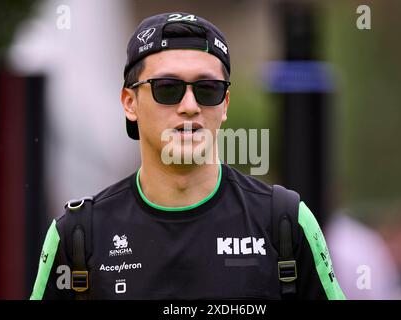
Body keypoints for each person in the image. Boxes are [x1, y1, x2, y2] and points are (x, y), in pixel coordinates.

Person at [30, 12, 345, 300]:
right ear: (129, 103)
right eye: (168, 88)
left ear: (225, 104)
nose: (190, 106)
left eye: (208, 89)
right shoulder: (78, 234)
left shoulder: (285, 221)